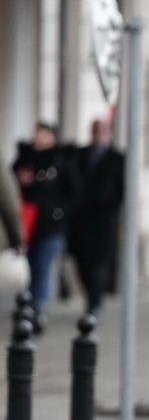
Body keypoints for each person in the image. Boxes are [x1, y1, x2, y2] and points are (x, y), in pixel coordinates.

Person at [11, 122, 79, 333]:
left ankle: (38, 308)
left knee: (42, 265)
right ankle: (32, 305)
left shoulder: (60, 160)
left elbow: (74, 191)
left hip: (52, 225)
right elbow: (10, 185)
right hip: (29, 224)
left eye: (44, 135)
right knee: (33, 265)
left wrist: (60, 212)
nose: (39, 138)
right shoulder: (25, 158)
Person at [67, 118, 124, 316]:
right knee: (82, 263)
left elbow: (122, 190)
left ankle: (94, 303)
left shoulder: (117, 158)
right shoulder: (80, 155)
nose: (98, 135)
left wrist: (111, 208)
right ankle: (90, 297)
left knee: (99, 265)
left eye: (102, 130)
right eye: (95, 130)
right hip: (81, 221)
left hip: (103, 222)